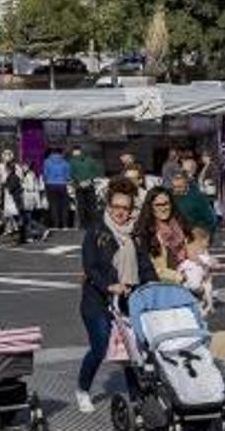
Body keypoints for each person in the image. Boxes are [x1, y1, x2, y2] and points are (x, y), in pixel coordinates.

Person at [76, 177, 155, 413]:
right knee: (100, 347)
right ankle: (82, 389)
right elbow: (90, 266)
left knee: (133, 349)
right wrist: (109, 286)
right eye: (117, 207)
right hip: (97, 300)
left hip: (129, 299)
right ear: (109, 206)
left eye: (126, 208)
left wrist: (154, 286)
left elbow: (144, 264)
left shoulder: (135, 234)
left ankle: (136, 394)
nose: (121, 212)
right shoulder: (96, 231)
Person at [136, 186, 191, 284]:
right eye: (158, 205)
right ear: (151, 207)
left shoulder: (182, 225)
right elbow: (148, 268)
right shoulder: (145, 233)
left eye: (166, 204)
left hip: (187, 282)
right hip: (161, 286)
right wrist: (175, 276)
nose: (163, 208)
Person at [0, 150, 29, 245]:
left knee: (16, 216)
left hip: (14, 195)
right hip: (7, 195)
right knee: (9, 216)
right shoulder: (0, 167)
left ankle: (21, 237)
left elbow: (21, 179)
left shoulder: (16, 168)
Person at [178, 227, 219, 315]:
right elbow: (191, 257)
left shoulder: (204, 250)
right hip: (193, 273)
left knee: (206, 286)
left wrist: (210, 264)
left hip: (202, 274)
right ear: (200, 240)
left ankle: (209, 305)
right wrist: (202, 260)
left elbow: (208, 262)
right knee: (194, 286)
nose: (208, 244)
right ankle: (202, 303)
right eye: (207, 241)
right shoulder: (192, 246)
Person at [70, 147, 103, 230]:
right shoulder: (91, 160)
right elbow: (97, 171)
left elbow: (71, 173)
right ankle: (94, 224)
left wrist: (80, 181)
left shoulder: (72, 161)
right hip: (90, 185)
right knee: (92, 205)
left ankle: (83, 224)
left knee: (81, 206)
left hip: (79, 186)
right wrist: (89, 180)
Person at [43, 149, 72, 229]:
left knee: (53, 205)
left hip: (50, 185)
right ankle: (64, 224)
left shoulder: (47, 162)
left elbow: (45, 174)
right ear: (61, 153)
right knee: (64, 205)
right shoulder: (65, 162)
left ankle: (55, 224)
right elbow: (68, 176)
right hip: (62, 185)